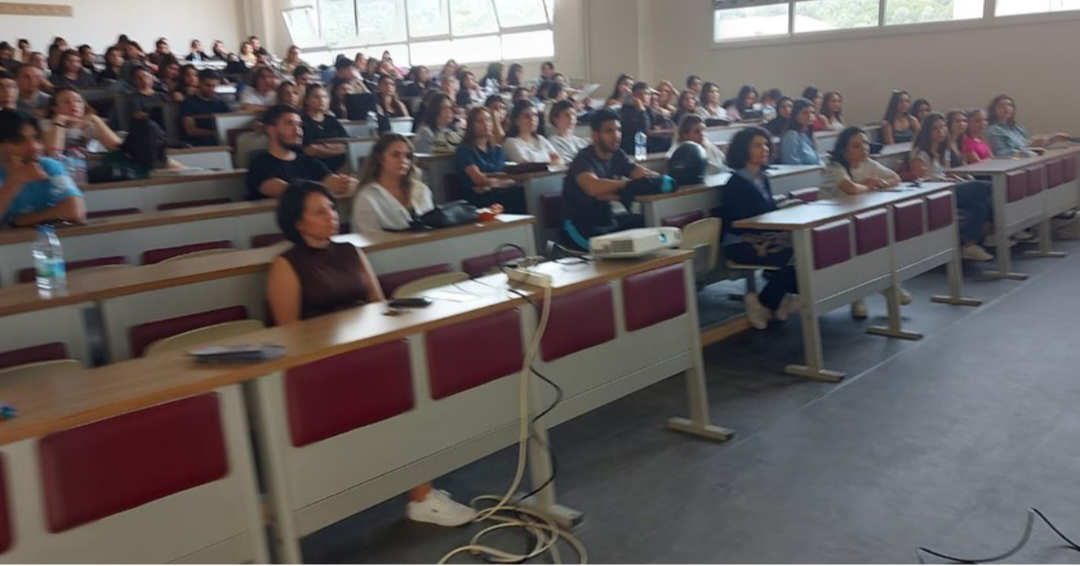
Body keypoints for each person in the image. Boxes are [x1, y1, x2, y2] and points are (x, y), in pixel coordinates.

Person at [267, 180, 475, 527]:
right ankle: (421, 496)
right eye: (319, 212)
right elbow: (289, 333)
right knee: (401, 394)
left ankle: (421, 487)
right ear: (298, 222)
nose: (331, 216)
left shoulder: (351, 252)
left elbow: (377, 307)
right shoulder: (286, 265)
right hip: (324, 364)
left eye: (331, 208)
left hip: (366, 350)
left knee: (421, 376)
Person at [720, 126, 799, 329]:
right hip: (742, 243)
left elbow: (767, 211)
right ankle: (764, 303)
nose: (764, 149)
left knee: (804, 250)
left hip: (764, 237)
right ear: (743, 150)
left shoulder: (763, 178)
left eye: (765, 144)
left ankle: (774, 299)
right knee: (794, 256)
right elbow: (740, 222)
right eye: (757, 145)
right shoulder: (736, 183)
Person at [824, 127, 903, 319]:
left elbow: (895, 177)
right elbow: (849, 188)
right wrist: (869, 186)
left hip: (856, 219)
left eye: (865, 143)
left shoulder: (868, 163)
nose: (864, 148)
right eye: (857, 146)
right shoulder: (835, 166)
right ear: (844, 150)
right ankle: (860, 297)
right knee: (857, 249)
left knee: (879, 243)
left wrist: (883, 183)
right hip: (831, 224)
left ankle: (886, 285)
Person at [560, 109, 657, 250]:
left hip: (606, 221)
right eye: (609, 131)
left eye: (618, 130)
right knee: (616, 249)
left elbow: (640, 173)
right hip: (579, 227)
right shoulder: (583, 159)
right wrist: (627, 184)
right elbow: (592, 187)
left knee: (646, 223)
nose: (616, 136)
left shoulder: (617, 155)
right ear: (596, 135)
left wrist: (657, 180)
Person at [908, 112, 995, 262]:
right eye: (935, 128)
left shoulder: (943, 150)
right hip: (935, 192)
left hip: (948, 187)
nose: (941, 131)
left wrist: (956, 179)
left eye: (943, 127)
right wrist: (945, 180)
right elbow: (920, 179)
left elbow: (948, 172)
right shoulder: (920, 153)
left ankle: (969, 245)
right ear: (927, 131)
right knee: (982, 188)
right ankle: (982, 237)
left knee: (979, 203)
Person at [246, 104, 358, 200]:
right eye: (290, 123)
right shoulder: (259, 164)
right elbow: (288, 191)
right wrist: (325, 187)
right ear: (271, 130)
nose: (298, 130)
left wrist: (347, 184)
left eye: (299, 125)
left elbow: (333, 181)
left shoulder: (309, 161)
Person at [0, 109, 85, 227]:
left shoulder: (48, 166)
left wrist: (21, 220)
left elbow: (75, 211)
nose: (33, 146)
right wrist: (15, 181)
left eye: (36, 138)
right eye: (19, 140)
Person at [353, 133, 435, 233]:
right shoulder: (367, 197)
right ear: (380, 158)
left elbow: (433, 227)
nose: (403, 161)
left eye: (407, 156)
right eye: (395, 155)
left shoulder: (421, 189)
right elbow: (369, 237)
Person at [454, 107, 525, 213]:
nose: (486, 124)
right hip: (476, 197)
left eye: (488, 120)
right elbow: (479, 179)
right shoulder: (464, 150)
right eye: (480, 121)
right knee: (517, 194)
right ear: (471, 125)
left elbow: (509, 176)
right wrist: (499, 181)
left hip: (496, 190)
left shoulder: (497, 149)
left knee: (522, 190)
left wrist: (492, 183)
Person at [44, 87, 123, 155]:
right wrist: (60, 121)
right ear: (55, 108)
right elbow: (53, 153)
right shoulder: (47, 124)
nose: (74, 104)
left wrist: (95, 119)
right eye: (67, 102)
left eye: (78, 101)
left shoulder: (91, 124)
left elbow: (118, 149)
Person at [985, 94, 1069, 157]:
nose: (1006, 108)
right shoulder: (994, 131)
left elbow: (1030, 147)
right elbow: (1001, 153)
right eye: (1001, 106)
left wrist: (1052, 139)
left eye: (1010, 105)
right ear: (994, 110)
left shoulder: (1017, 129)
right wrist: (1030, 146)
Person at [301, 84, 348, 172]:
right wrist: (336, 150)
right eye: (316, 97)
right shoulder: (303, 121)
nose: (322, 100)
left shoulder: (332, 120)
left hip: (340, 166)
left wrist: (324, 147)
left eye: (325, 97)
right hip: (314, 167)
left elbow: (346, 144)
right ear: (307, 101)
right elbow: (310, 149)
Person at [180, 69, 230, 147]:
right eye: (207, 85)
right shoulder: (188, 102)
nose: (211, 89)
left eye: (214, 86)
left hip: (220, 141)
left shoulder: (221, 103)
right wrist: (216, 133)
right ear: (199, 83)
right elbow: (190, 130)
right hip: (197, 143)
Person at [503, 99, 561, 165]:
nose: (532, 119)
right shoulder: (510, 143)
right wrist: (550, 161)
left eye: (535, 115)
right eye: (526, 116)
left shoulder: (541, 139)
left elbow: (559, 160)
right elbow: (526, 164)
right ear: (516, 120)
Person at [619, 81, 663, 156]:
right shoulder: (626, 111)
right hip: (633, 150)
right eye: (639, 94)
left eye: (646, 94)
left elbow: (664, 123)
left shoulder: (649, 110)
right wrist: (641, 109)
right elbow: (644, 130)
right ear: (633, 96)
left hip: (648, 147)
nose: (644, 96)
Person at [778, 98, 821, 166]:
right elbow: (791, 162)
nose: (810, 116)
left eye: (812, 112)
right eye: (805, 113)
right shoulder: (791, 135)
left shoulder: (807, 134)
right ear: (795, 116)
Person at [548, 100, 590, 164]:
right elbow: (566, 163)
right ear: (555, 119)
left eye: (573, 114)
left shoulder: (580, 141)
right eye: (567, 115)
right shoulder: (554, 142)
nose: (571, 118)